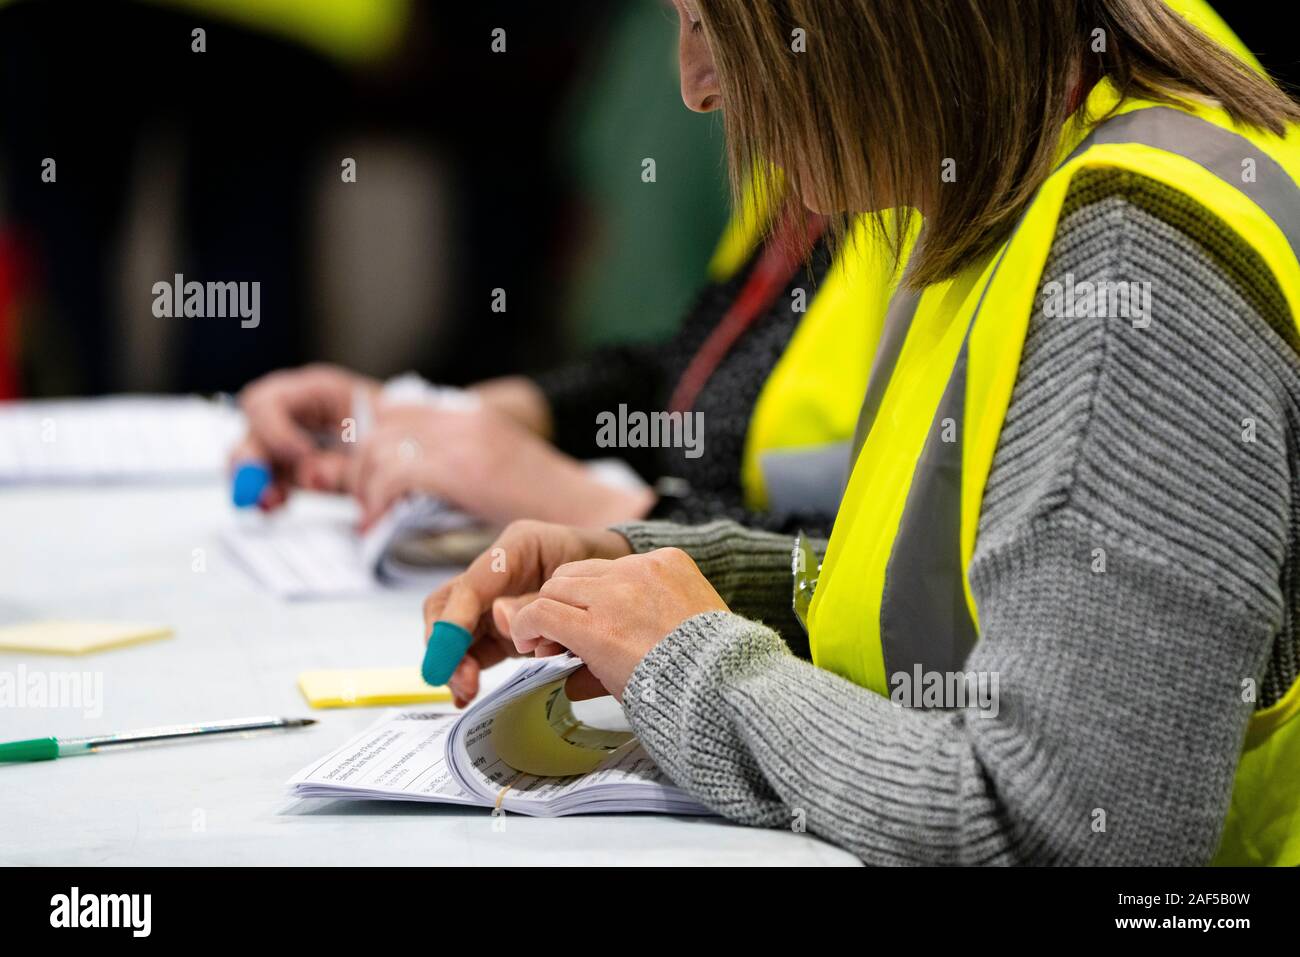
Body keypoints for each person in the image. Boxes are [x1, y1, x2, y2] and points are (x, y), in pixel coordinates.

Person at [422, 0, 1300, 866]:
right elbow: (947, 606)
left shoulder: (1130, 262)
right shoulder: (1000, 196)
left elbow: (1065, 832)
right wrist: (660, 576)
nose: (695, 87)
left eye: (712, 25)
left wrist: (691, 662)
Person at [233, 13, 909, 537]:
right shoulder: (834, 168)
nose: (694, 85)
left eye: (713, 23)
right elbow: (704, 382)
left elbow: (883, 578)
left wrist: (593, 507)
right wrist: (455, 418)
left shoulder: (918, 188)